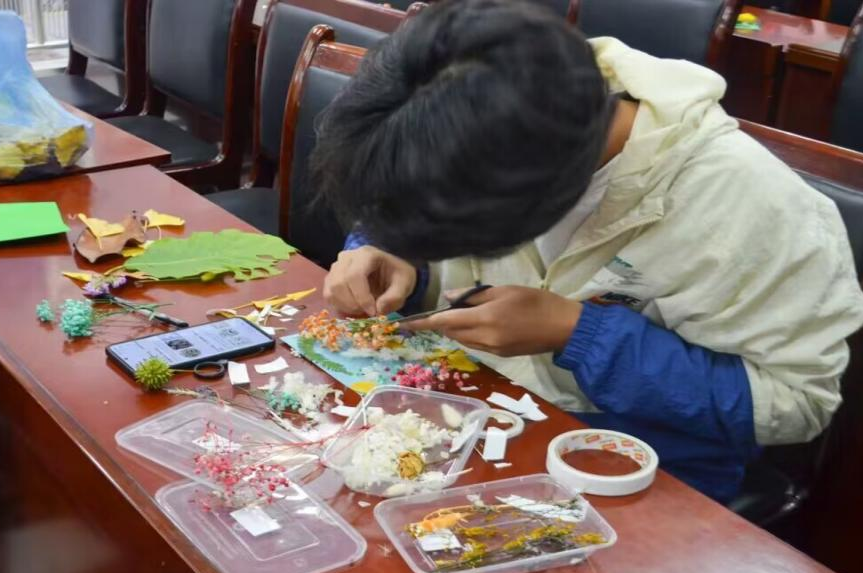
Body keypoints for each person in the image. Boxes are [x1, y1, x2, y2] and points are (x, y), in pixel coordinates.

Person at [310, 0, 863, 502]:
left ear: (543, 198)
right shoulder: (489, 123)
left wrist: (577, 333)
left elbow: (797, 405)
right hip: (472, 409)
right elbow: (426, 186)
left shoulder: (757, 207)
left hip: (633, 470)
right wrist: (386, 247)